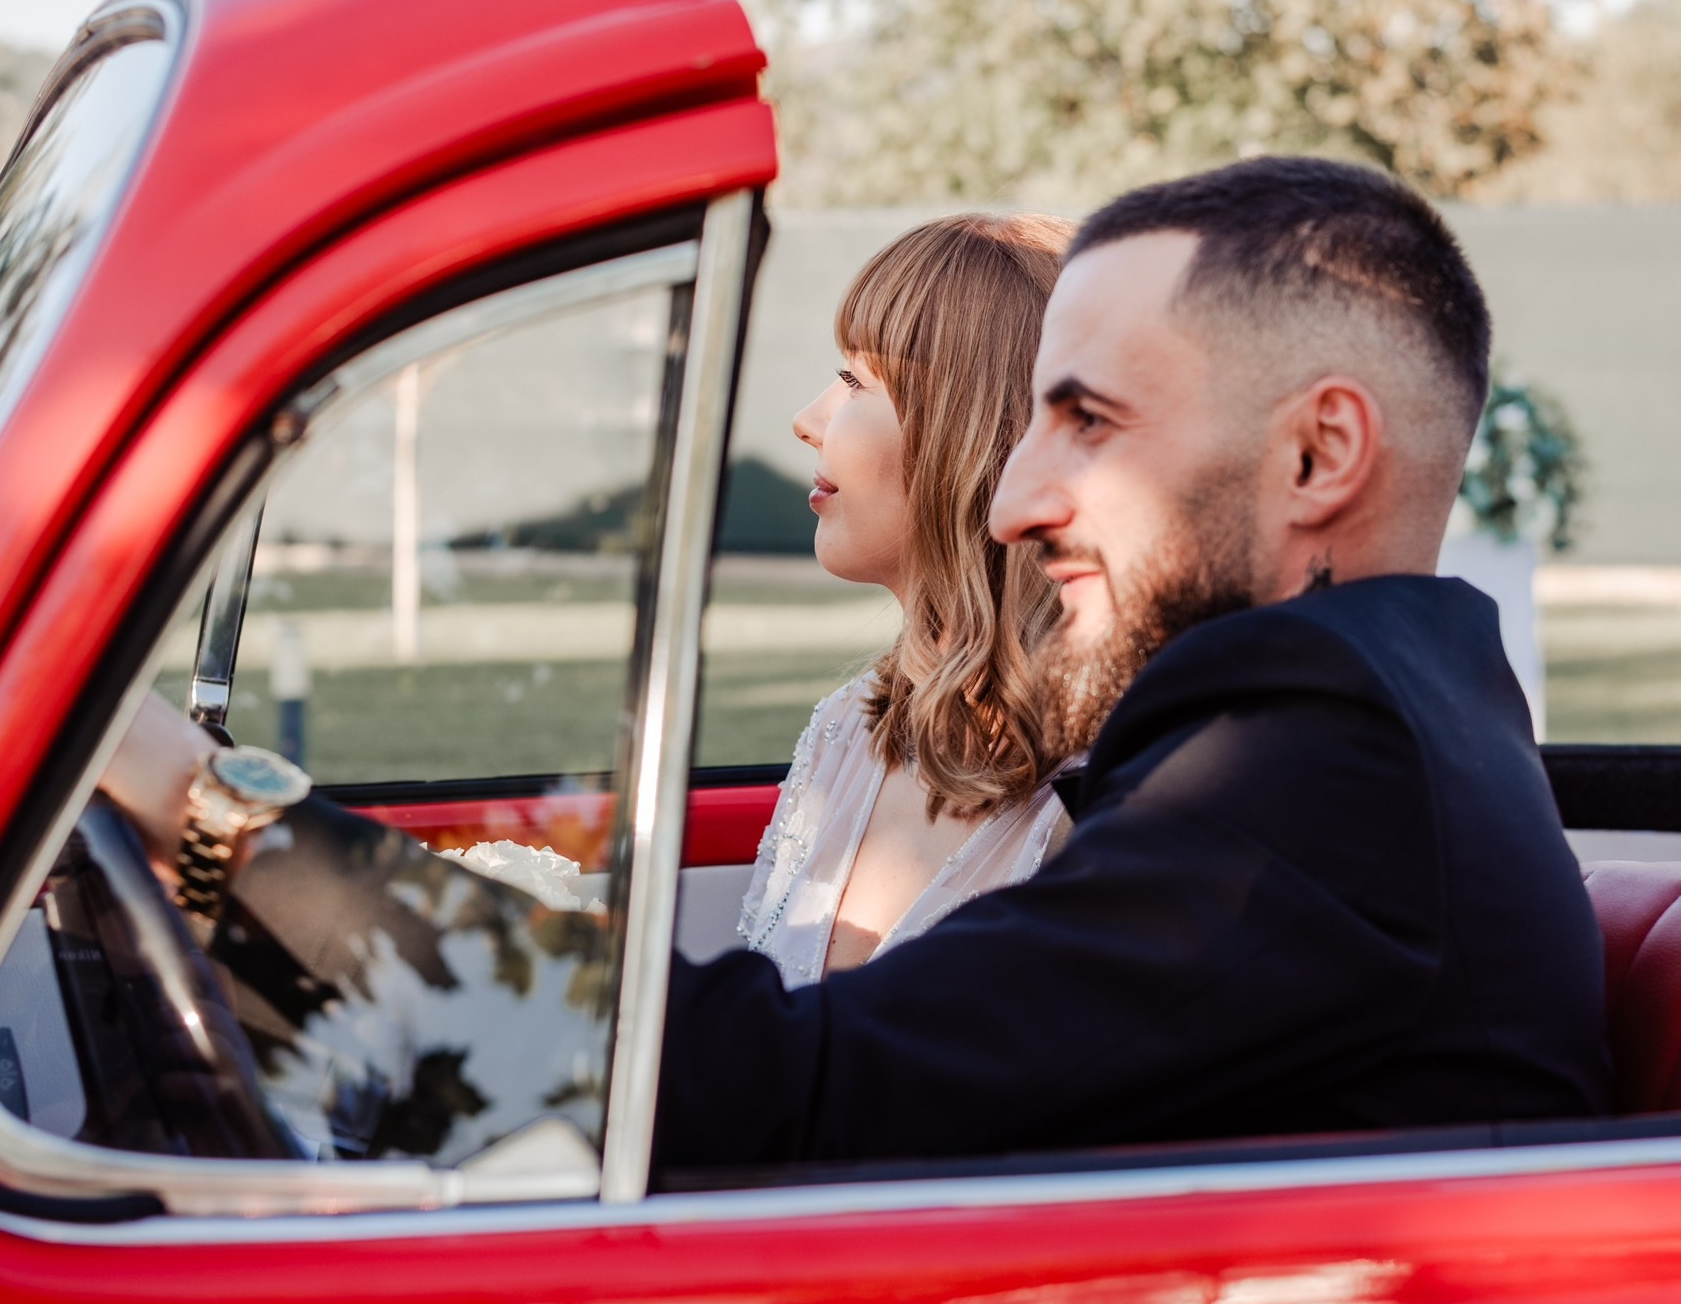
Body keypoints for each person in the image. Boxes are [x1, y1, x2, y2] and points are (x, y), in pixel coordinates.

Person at [652, 156, 1612, 1167]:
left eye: (1089, 423)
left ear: (1315, 456)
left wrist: (484, 968)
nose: (1011, 508)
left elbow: (827, 1088)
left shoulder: (1329, 751)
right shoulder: (1394, 709)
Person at [744, 212, 1078, 987]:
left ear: (982, 435)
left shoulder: (1111, 795)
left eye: (858, 380)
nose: (806, 420)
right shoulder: (843, 732)